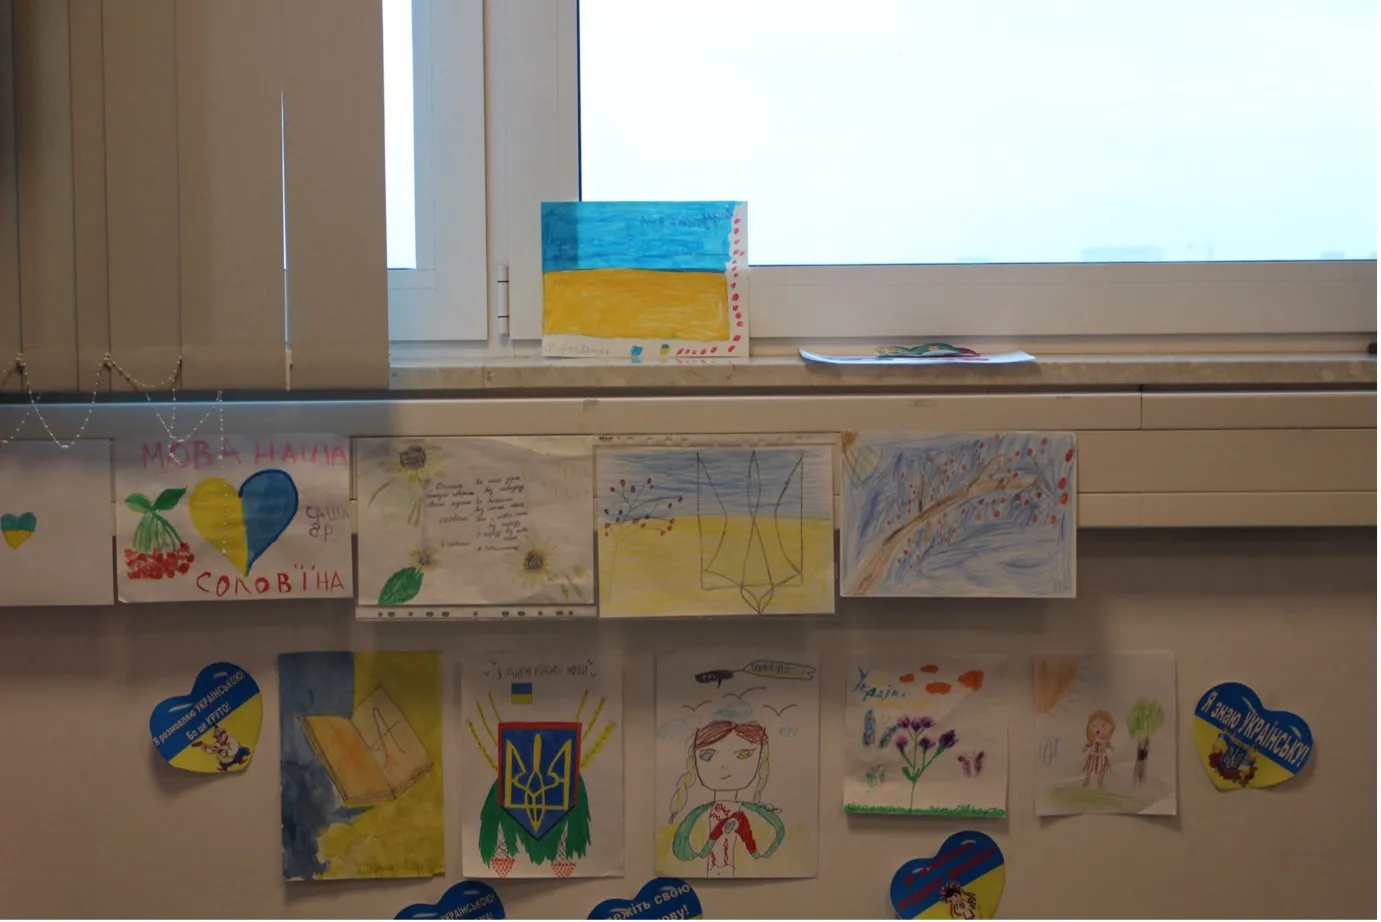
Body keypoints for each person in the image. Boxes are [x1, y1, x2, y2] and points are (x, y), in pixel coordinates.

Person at [668, 720, 785, 877]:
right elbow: (687, 851)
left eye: (743, 754)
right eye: (707, 755)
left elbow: (769, 845)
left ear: (760, 758)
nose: (724, 767)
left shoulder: (755, 815)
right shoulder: (699, 816)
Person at [1081, 709, 1115, 789]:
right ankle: (1087, 781)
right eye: (1094, 726)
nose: (1098, 729)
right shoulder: (1094, 738)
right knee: (1089, 769)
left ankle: (1100, 784)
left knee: (1101, 771)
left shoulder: (1105, 740)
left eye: (1103, 726)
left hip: (1101, 756)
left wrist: (1111, 748)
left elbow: (1108, 744)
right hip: (1093, 755)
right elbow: (1090, 743)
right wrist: (1085, 748)